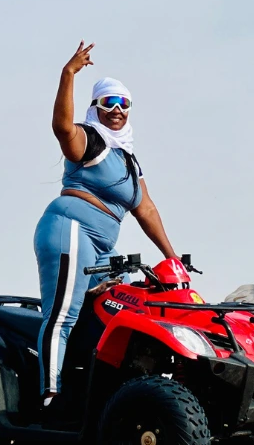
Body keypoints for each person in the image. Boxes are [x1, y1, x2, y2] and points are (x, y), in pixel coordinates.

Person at [36, 41, 178, 406]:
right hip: (71, 230)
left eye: (123, 104)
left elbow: (145, 209)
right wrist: (68, 74)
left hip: (103, 247)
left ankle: (102, 391)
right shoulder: (91, 138)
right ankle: (50, 395)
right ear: (96, 106)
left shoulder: (128, 156)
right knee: (63, 314)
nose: (116, 110)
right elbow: (62, 129)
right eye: (108, 103)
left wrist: (172, 261)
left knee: (127, 304)